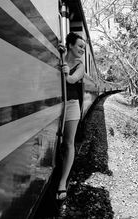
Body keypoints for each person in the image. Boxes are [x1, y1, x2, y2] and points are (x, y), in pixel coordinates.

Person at [56, 32, 86, 200]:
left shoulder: (80, 65)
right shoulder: (60, 56)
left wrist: (67, 73)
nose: (82, 50)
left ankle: (62, 182)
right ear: (71, 46)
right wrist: (59, 53)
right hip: (55, 104)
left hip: (72, 105)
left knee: (68, 144)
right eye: (80, 46)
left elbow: (73, 80)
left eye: (84, 48)